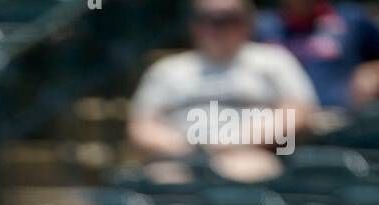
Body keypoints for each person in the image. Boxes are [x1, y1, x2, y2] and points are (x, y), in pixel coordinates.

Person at [128, 0, 318, 181]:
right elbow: (142, 126)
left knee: (251, 171)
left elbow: (298, 112)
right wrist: (191, 149)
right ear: (193, 24)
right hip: (180, 160)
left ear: (248, 22)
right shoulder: (167, 70)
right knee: (162, 180)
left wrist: (236, 141)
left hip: (251, 156)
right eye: (206, 18)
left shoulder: (274, 61)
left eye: (227, 19)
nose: (216, 27)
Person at [255, 1, 379, 109]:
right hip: (286, 123)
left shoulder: (350, 18)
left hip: (342, 118)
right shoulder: (264, 27)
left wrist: (372, 72)